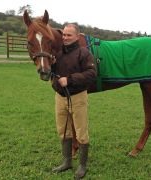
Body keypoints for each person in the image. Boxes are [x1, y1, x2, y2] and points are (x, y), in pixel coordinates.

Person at [51, 24, 97, 179]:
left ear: (77, 36)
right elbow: (51, 72)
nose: (65, 37)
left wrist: (69, 80)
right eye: (64, 34)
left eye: (69, 35)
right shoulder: (57, 53)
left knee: (81, 132)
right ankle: (67, 162)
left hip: (78, 97)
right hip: (60, 98)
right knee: (63, 130)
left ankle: (83, 166)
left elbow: (92, 73)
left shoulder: (84, 53)